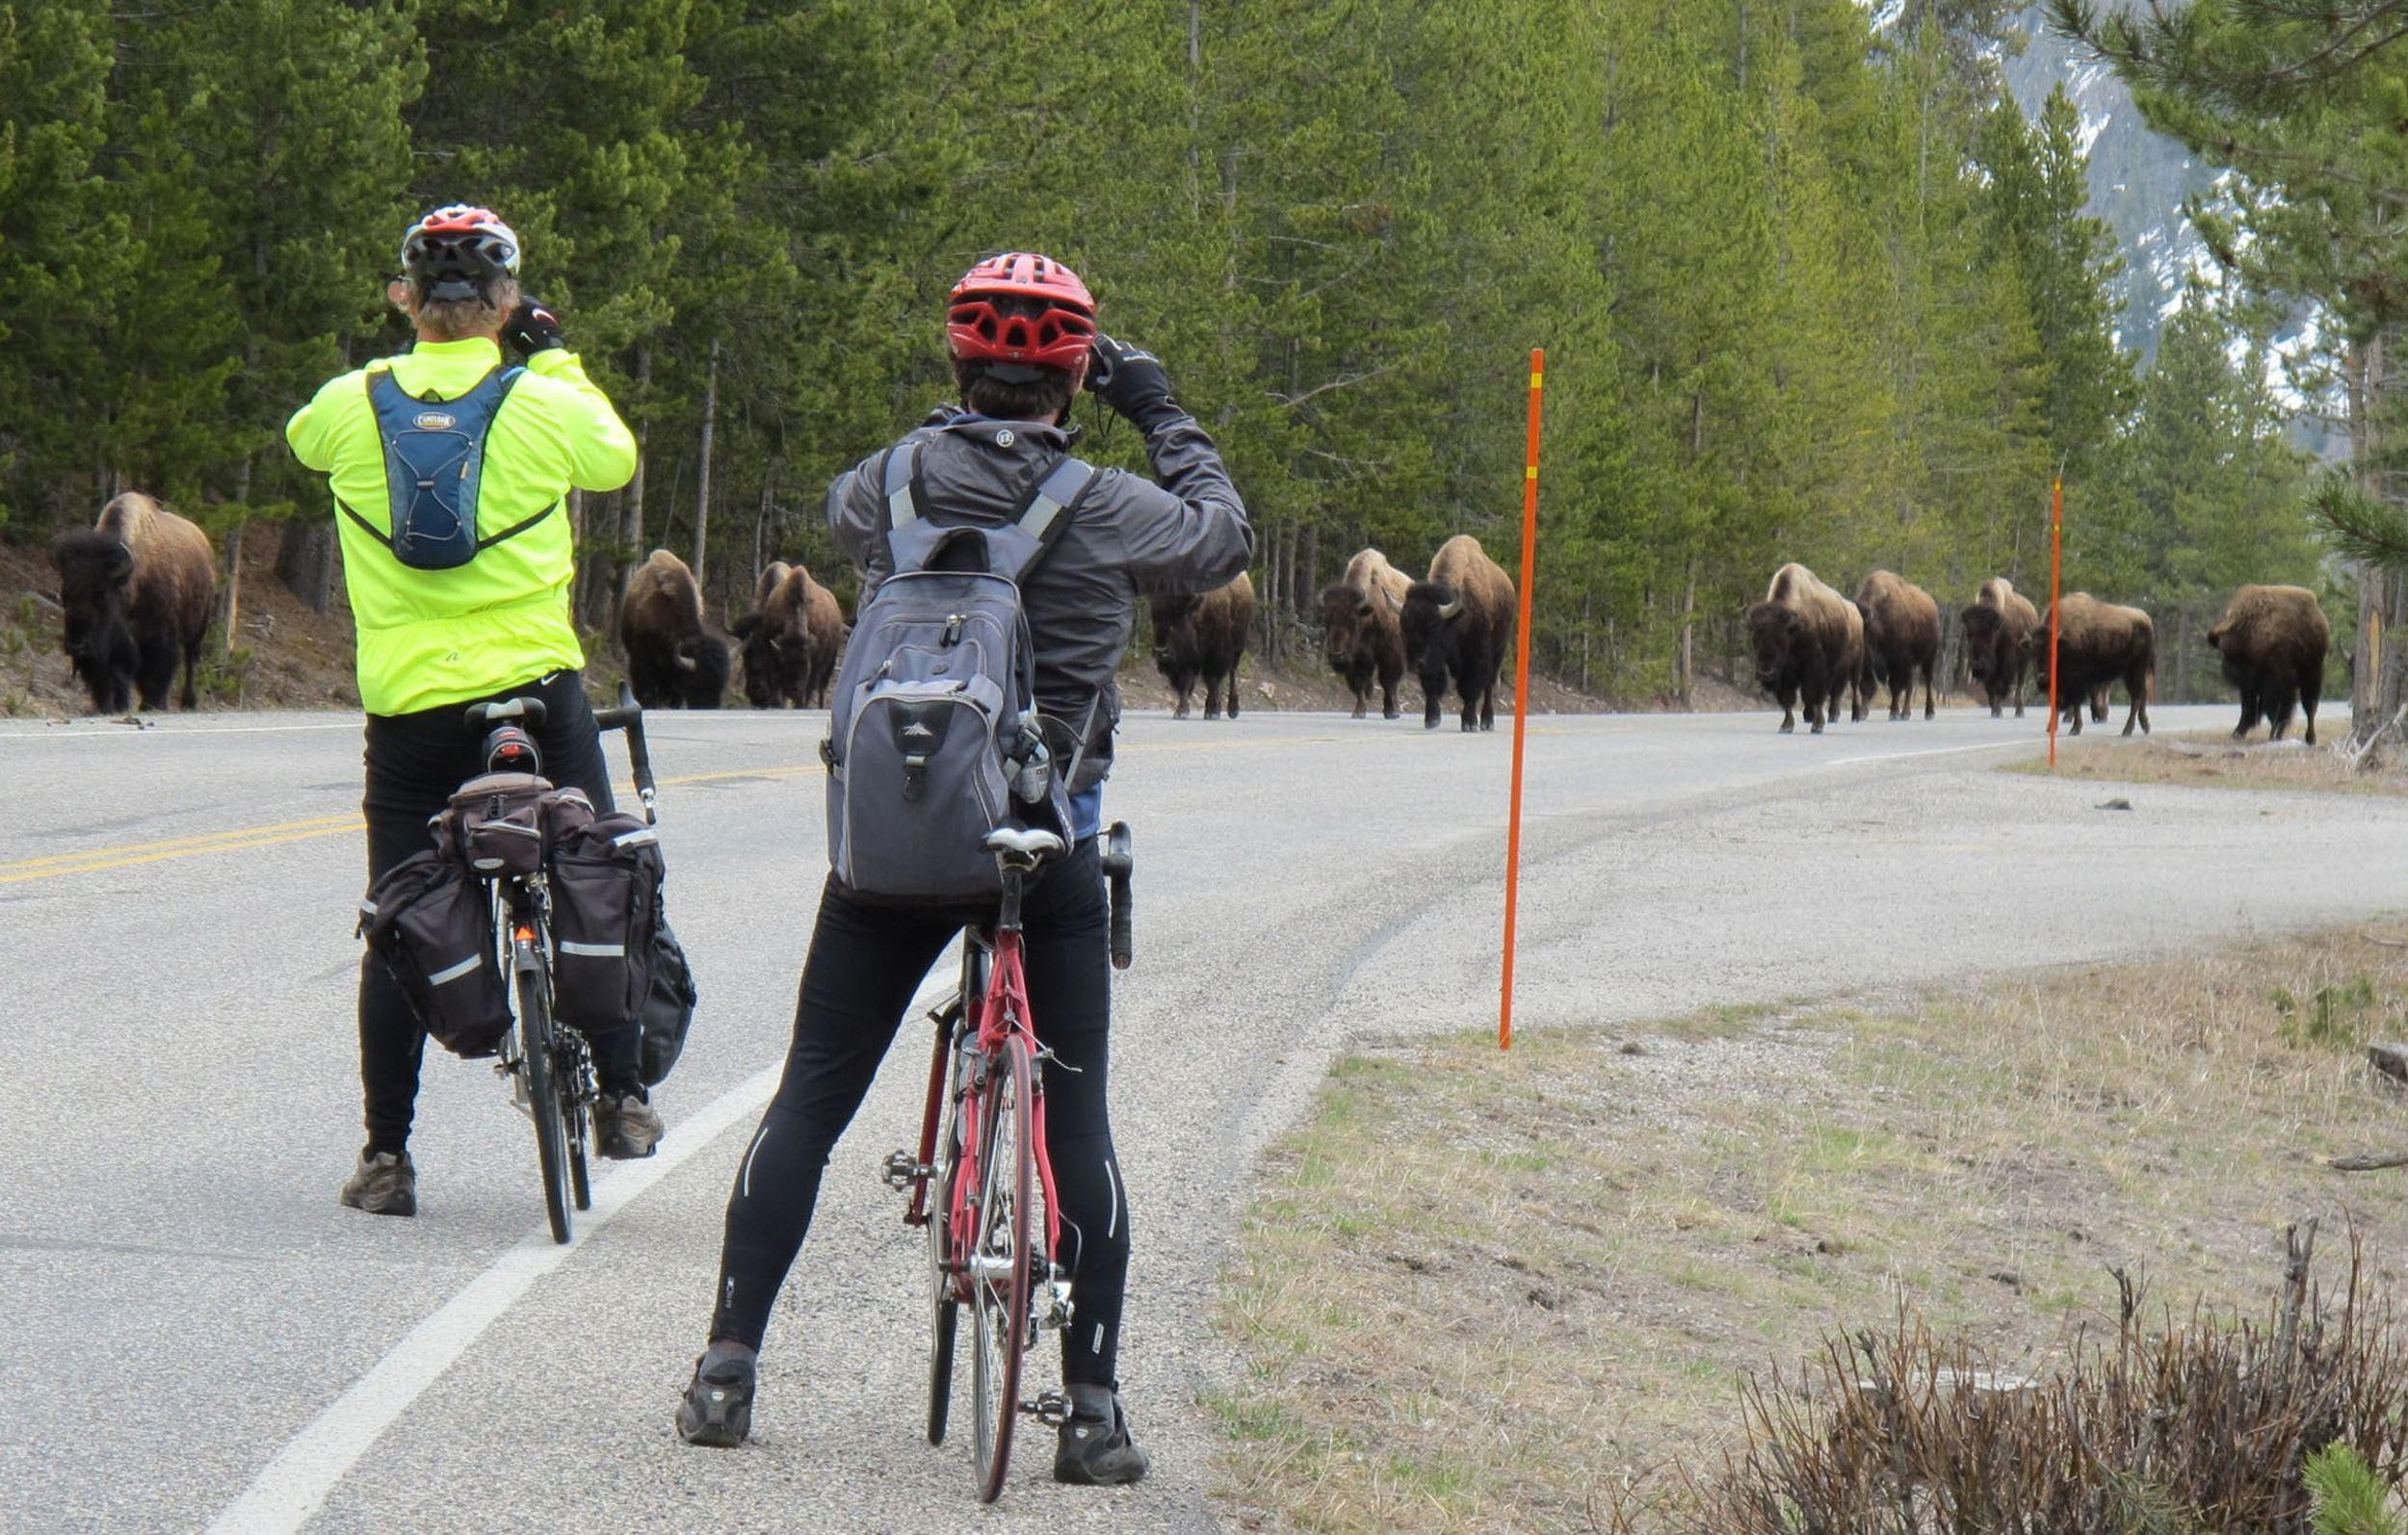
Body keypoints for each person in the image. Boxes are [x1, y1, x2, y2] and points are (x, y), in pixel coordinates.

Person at [675, 252, 1252, 1485]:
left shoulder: (879, 485)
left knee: (810, 1106)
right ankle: (1090, 1412)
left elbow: (844, 509)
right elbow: (1220, 542)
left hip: (888, 849)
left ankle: (726, 1367)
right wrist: (1158, 408)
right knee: (1078, 1125)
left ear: (959, 363)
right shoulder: (1104, 501)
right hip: (1042, 848)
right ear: (1075, 377)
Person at [287, 204, 665, 1218]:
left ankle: (385, 1156)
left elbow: (303, 443)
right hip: (536, 691)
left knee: (402, 909)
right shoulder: (545, 396)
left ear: (407, 300)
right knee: (597, 866)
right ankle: (623, 1096)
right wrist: (552, 355)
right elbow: (616, 462)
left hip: (410, 704)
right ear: (505, 303)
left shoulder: (350, 401)